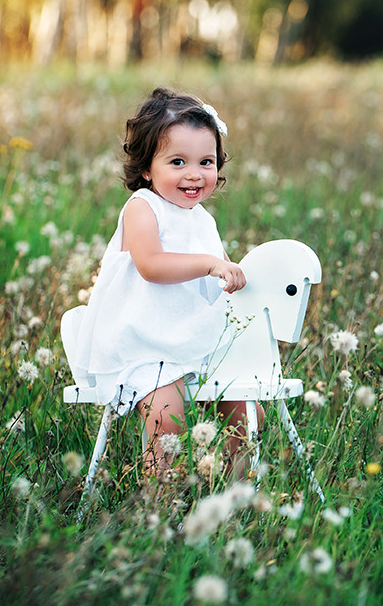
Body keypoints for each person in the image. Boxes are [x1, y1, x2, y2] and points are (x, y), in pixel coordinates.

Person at [71, 87, 264, 478]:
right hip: (144, 343)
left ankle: (237, 497)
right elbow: (152, 265)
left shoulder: (202, 219)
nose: (194, 174)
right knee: (167, 418)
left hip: (194, 340)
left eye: (205, 162)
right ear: (147, 168)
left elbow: (220, 275)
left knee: (249, 412)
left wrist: (235, 274)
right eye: (178, 161)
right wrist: (212, 264)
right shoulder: (143, 208)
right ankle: (158, 507)